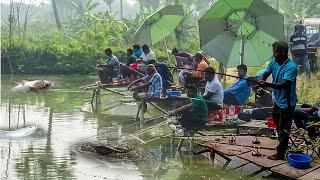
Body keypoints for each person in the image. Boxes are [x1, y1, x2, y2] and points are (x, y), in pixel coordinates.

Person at [258, 41, 298, 160]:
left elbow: (284, 85)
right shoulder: (274, 62)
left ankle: (280, 154)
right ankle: (283, 143)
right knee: (278, 124)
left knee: (284, 128)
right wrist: (261, 82)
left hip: (287, 103)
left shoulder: (291, 66)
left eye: (275, 52)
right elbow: (266, 73)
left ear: (282, 52)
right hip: (278, 100)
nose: (273, 54)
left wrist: (266, 84)